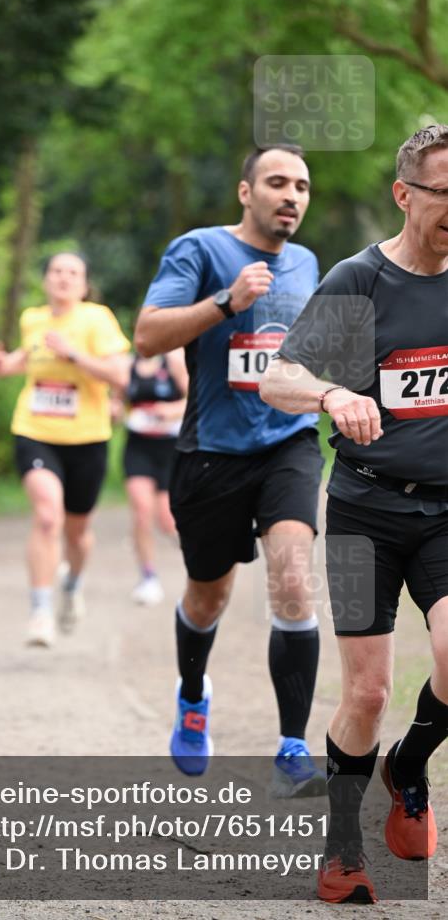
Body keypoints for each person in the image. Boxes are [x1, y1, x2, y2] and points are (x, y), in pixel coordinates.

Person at [260, 125, 448, 904]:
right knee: (366, 692)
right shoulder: (361, 282)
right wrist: (334, 393)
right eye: (445, 193)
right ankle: (342, 851)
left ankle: (406, 767)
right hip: (363, 509)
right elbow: (280, 377)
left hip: (445, 511)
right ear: (405, 195)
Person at [135, 144, 326, 794]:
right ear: (245, 192)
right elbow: (147, 336)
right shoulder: (199, 250)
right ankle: (193, 694)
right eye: (276, 182)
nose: (291, 196)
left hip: (288, 443)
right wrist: (225, 300)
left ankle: (292, 749)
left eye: (301, 186)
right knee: (207, 594)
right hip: (211, 453)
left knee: (294, 579)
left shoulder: (307, 262)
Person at [0, 251, 130, 647]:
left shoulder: (96, 319)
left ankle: (73, 582)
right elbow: (30, 357)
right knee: (47, 517)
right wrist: (6, 364)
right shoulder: (32, 318)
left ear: (84, 285)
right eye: (56, 270)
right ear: (46, 279)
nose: (63, 278)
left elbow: (120, 374)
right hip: (35, 430)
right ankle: (39, 611)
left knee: (77, 532)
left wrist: (74, 355)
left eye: (73, 272)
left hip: (87, 438)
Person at [121, 350, 188, 605]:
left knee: (167, 521)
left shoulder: (173, 361)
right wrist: (114, 408)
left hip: (170, 448)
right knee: (141, 509)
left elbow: (194, 399)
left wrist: (170, 410)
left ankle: (197, 560)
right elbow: (118, 399)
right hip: (138, 447)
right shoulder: (129, 365)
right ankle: (148, 576)